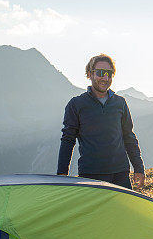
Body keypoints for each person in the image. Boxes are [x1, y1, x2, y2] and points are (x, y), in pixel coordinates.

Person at [57, 54, 145, 189]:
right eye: (100, 73)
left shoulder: (120, 103)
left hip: (120, 174)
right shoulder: (76, 104)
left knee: (120, 211)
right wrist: (62, 173)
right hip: (90, 176)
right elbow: (68, 140)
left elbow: (129, 137)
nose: (105, 78)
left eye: (109, 74)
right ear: (89, 74)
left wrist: (139, 168)